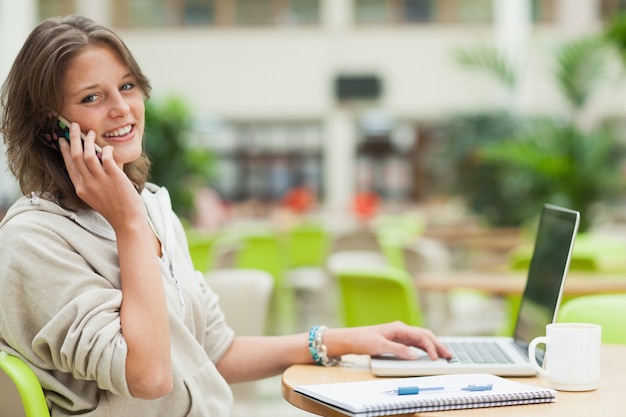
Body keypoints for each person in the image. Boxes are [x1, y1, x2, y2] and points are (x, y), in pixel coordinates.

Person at [0, 15, 450, 417]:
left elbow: (214, 351)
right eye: (92, 97)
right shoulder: (34, 241)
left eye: (128, 85)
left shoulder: (153, 205)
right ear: (50, 127)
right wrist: (130, 225)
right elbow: (150, 379)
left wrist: (345, 340)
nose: (122, 108)